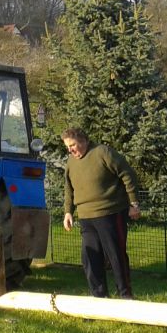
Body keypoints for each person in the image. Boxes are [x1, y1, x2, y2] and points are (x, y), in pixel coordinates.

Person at [61, 127, 142, 299]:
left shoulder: (102, 152)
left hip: (110, 213)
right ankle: (99, 297)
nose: (70, 150)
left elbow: (127, 174)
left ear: (83, 140)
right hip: (86, 217)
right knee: (90, 259)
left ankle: (126, 295)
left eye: (72, 145)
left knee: (116, 256)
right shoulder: (71, 162)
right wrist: (68, 212)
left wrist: (133, 203)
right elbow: (69, 188)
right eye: (67, 147)